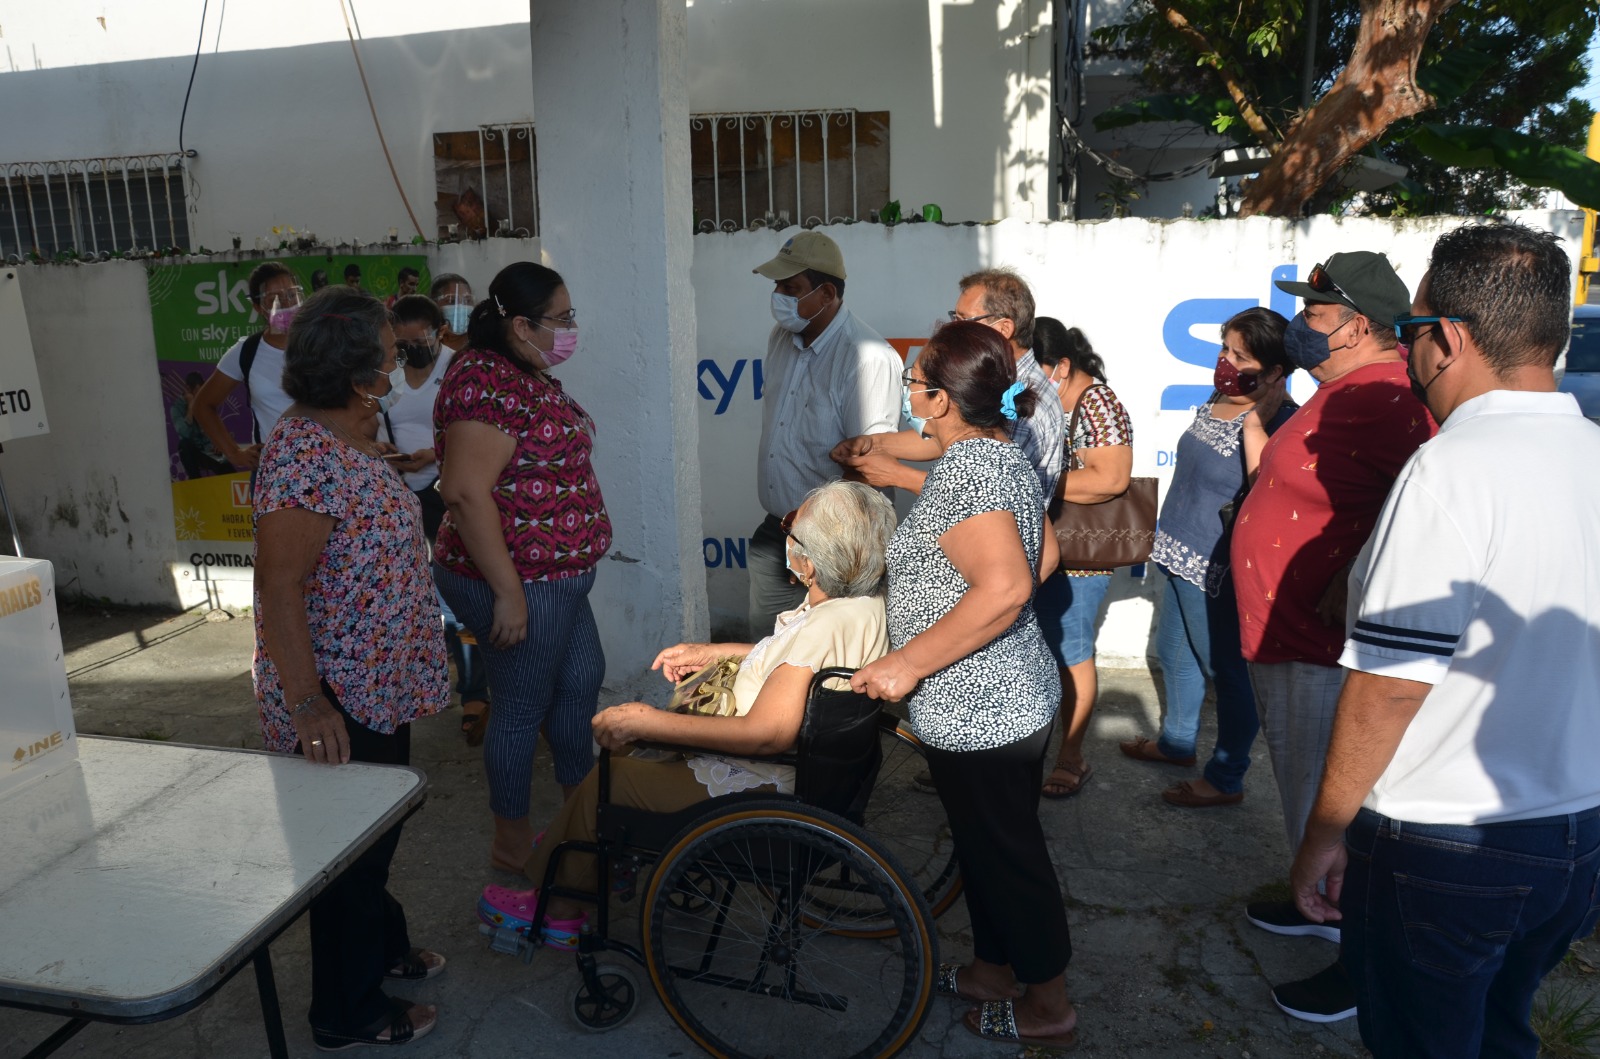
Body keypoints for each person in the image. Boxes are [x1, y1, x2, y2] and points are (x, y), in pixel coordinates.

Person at [1290, 222, 1600, 1058]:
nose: (1413, 351)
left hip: (1446, 844)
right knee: (1504, 1032)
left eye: (1416, 329)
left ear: (1449, 340)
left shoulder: (1452, 469)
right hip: (1575, 831)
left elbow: (1390, 683)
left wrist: (1325, 831)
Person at [477, 480, 896, 944]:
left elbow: (767, 735)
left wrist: (646, 721)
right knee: (629, 768)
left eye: (790, 531)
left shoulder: (823, 624)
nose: (786, 539)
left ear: (812, 562)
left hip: (764, 784)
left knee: (611, 774)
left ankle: (558, 909)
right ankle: (583, 856)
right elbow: (789, 660)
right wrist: (716, 652)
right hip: (818, 783)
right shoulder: (860, 605)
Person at [853, 321, 1077, 1050]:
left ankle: (1048, 1005)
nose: (910, 394)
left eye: (916, 383)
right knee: (984, 846)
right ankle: (990, 969)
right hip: (995, 697)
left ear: (943, 401)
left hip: (987, 709)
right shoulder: (997, 455)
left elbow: (1010, 582)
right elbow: (1045, 554)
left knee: (1010, 856)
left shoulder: (969, 471)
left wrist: (910, 660)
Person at [1232, 250, 1435, 1022]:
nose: (1299, 327)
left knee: (1332, 803)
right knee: (1302, 792)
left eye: (1313, 315)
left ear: (1354, 325)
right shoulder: (1343, 388)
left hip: (1319, 649)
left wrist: (1347, 573)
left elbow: (1423, 507)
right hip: (1285, 636)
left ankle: (1358, 956)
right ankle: (1310, 893)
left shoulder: (1385, 399)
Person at [252, 286, 449, 1051]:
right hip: (335, 692)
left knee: (377, 831)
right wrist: (307, 703)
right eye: (390, 355)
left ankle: (384, 945)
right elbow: (279, 586)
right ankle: (347, 1008)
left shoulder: (342, 433)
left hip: (375, 678)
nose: (398, 363)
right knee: (346, 858)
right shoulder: (303, 455)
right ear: (359, 370)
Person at [432, 261, 612, 876]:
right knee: (519, 706)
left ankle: (578, 826)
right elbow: (462, 490)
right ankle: (513, 847)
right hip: (521, 580)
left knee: (581, 680)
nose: (570, 329)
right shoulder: (485, 379)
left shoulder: (521, 369)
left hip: (558, 578)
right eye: (560, 320)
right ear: (519, 323)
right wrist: (508, 594)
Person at [1119, 308, 1296, 807]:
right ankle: (1177, 743)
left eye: (1241, 355)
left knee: (1226, 672)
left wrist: (1259, 420)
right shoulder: (1220, 395)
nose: (1225, 361)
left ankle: (1226, 778)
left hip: (1214, 567)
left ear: (1276, 370)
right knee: (1176, 652)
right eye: (1225, 349)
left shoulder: (1282, 418)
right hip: (1176, 546)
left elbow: (1270, 491)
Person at [746, 231, 902, 638]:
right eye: (777, 285)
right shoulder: (781, 338)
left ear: (827, 293)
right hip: (776, 531)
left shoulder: (867, 356)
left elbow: (870, 468)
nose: (777, 295)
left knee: (825, 666)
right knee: (765, 655)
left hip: (834, 544)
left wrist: (815, 526)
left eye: (790, 287)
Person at [832, 268, 1066, 502]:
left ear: (1004, 329)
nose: (954, 328)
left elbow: (986, 495)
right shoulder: (994, 379)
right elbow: (952, 436)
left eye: (965, 320)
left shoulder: (1022, 400)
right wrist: (875, 444)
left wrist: (897, 475)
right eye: (955, 317)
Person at [383, 294, 492, 744]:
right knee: (414, 595)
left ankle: (474, 694)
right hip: (399, 489)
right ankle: (421, 685)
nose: (412, 349)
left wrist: (437, 453)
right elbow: (367, 422)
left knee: (461, 590)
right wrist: (384, 453)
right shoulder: (385, 374)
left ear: (439, 333)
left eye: (420, 339)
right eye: (402, 343)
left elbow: (477, 426)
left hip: (449, 488)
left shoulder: (457, 368)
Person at [1033, 323, 1132, 798]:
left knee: (1072, 654)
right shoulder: (1045, 402)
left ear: (1063, 367)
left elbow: (1111, 479)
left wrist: (1027, 482)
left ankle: (1072, 757)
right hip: (1037, 547)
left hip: (1080, 560)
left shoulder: (1099, 403)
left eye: (1035, 371)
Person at [191, 261, 303, 469]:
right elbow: (202, 405)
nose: (286, 304)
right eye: (274, 299)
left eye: (291, 294)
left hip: (329, 470)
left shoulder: (325, 344)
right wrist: (234, 453)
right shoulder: (246, 352)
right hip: (275, 474)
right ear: (258, 307)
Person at [170, 371, 233, 478]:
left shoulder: (204, 404)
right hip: (193, 452)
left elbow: (214, 426)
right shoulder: (176, 408)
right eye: (197, 393)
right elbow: (184, 433)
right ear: (188, 389)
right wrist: (191, 407)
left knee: (228, 470)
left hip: (208, 451)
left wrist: (218, 443)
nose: (200, 396)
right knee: (184, 445)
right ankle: (195, 482)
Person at [430, 273, 475, 353]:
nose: (461, 307)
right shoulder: (426, 343)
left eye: (467, 301)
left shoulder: (479, 346)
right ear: (434, 303)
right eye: (452, 301)